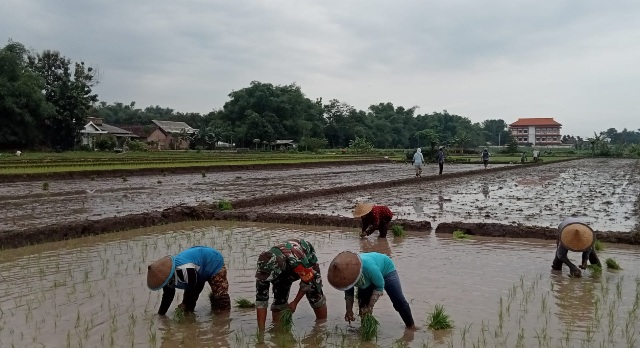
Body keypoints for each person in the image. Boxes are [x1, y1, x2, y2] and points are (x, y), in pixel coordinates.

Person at [327, 251, 416, 330]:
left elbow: (380, 286)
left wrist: (370, 306)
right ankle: (365, 329)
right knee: (363, 306)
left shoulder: (370, 267)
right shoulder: (346, 276)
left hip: (386, 271)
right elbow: (349, 293)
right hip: (367, 278)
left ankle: (411, 327)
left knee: (398, 301)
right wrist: (349, 310)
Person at [255, 239, 327, 331]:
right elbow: (261, 301)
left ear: (277, 268)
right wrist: (261, 334)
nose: (266, 278)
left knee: (314, 294)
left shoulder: (296, 258)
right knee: (279, 301)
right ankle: (278, 332)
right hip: (283, 270)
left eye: (270, 276)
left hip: (305, 262)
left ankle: (321, 327)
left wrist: (295, 302)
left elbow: (307, 281)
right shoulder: (263, 268)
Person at [147, 246, 230, 315]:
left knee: (220, 296)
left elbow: (197, 286)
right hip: (197, 270)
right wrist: (161, 315)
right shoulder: (165, 277)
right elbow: (168, 297)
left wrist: (185, 303)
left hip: (213, 260)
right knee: (188, 307)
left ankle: (224, 321)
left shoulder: (184, 269)